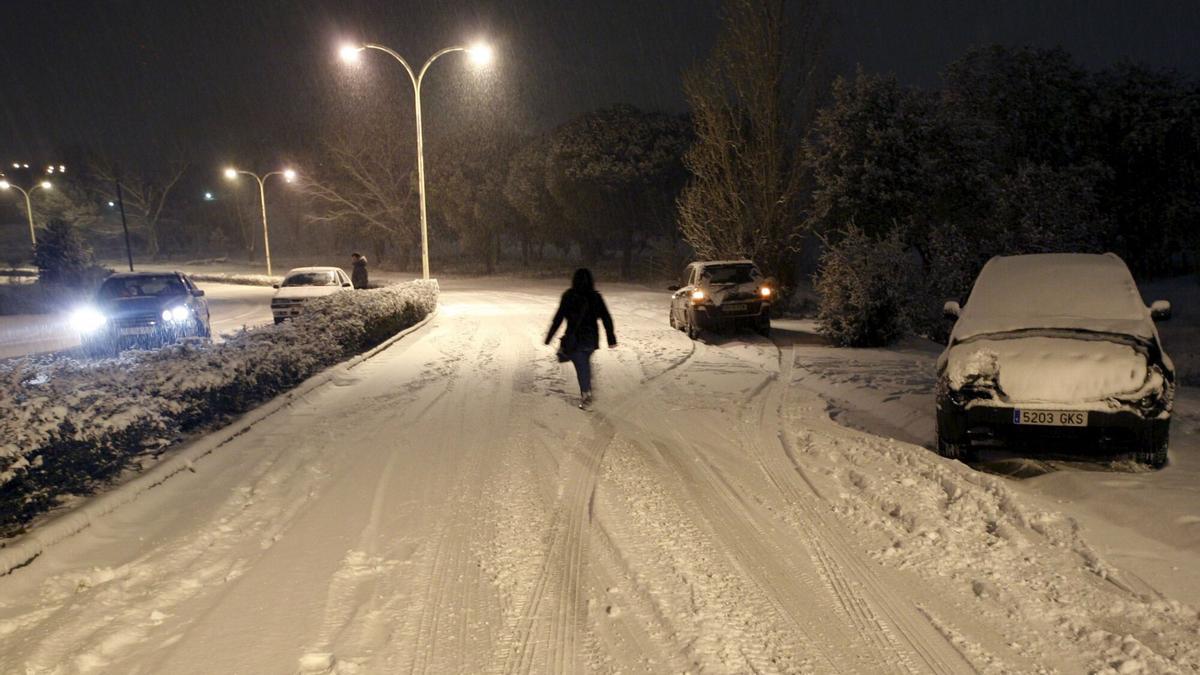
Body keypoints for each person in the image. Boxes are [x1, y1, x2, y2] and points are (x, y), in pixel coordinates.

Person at [545, 268, 617, 409]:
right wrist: (611, 337)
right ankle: (586, 388)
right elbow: (606, 317)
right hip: (591, 338)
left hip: (575, 337)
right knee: (583, 362)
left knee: (581, 364)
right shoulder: (596, 297)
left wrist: (549, 336)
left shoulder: (568, 296)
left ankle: (586, 392)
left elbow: (558, 318)